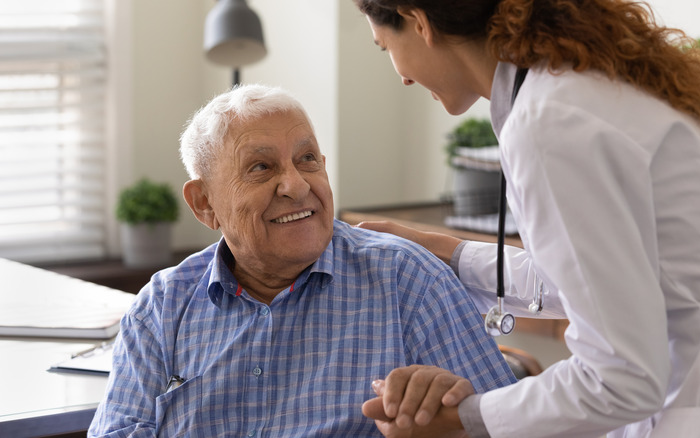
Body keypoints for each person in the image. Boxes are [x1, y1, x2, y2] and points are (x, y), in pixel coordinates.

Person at [352, 0, 700, 437]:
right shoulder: (589, 84)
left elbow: (619, 378)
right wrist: (454, 254)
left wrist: (465, 419)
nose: (401, 74)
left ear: (418, 20)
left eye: (384, 46)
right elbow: (604, 280)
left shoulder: (548, 120)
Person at [87, 84, 516, 437]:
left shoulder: (408, 280)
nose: (295, 185)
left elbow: (510, 429)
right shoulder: (162, 306)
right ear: (204, 204)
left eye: (307, 159)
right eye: (261, 167)